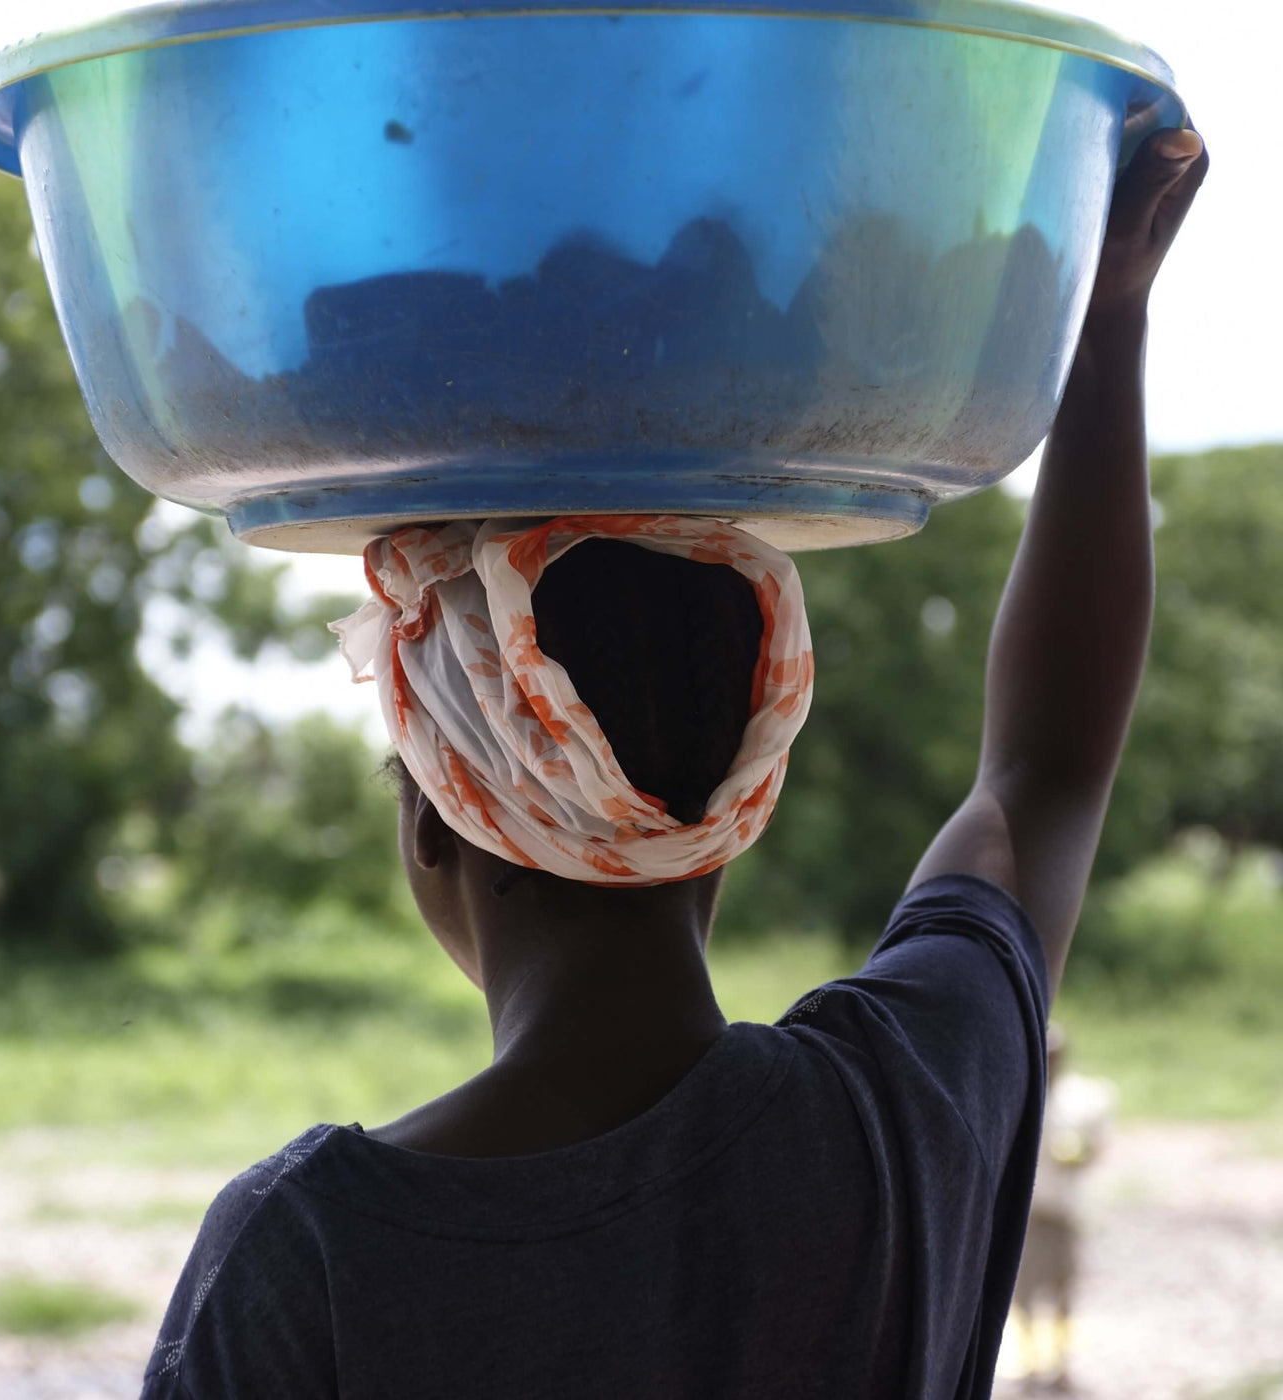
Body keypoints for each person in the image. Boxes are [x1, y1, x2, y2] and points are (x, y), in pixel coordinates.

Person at [140, 127, 1206, 1400]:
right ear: (736, 792)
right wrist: (1103, 328)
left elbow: (1041, 773)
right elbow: (1042, 773)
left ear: (437, 820)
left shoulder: (306, 1257)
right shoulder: (892, 1122)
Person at [1008, 1024, 1119, 1391]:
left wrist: (1082, 1153)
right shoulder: (1018, 1095)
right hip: (1027, 1212)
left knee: (1064, 1290)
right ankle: (1028, 1363)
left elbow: (1096, 1145)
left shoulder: (1081, 1100)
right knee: (1022, 1292)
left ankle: (1059, 1365)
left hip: (1066, 1209)